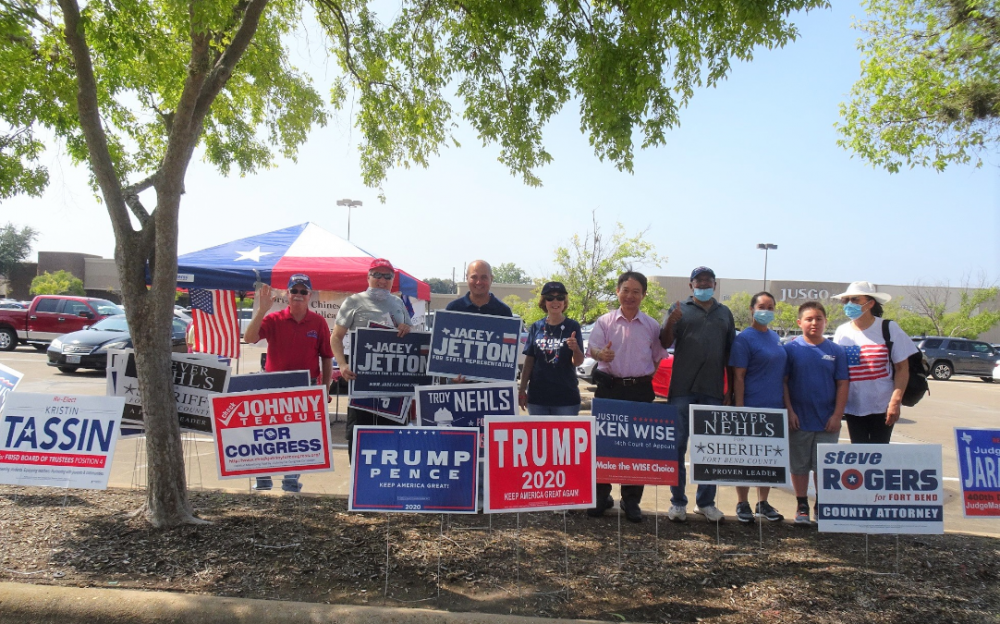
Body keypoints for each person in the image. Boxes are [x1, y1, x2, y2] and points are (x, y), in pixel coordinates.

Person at [586, 271, 667, 523]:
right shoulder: (605, 321)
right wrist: (602, 355)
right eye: (625, 290)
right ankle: (601, 496)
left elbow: (656, 359)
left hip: (640, 391)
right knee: (604, 445)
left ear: (643, 294)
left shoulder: (652, 326)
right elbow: (594, 349)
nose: (630, 296)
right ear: (617, 291)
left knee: (637, 446)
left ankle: (631, 501)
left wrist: (638, 378)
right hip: (610, 388)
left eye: (636, 291)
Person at [243, 273, 334, 492]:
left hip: (306, 384)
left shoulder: (318, 321)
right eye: (295, 291)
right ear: (288, 293)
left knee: (299, 434)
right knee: (269, 432)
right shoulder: (273, 319)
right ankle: (263, 477)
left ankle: (291, 478)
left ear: (309, 295)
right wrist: (262, 310)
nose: (299, 295)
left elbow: (327, 357)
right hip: (275, 384)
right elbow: (249, 338)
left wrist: (325, 388)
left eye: (303, 291)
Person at [659, 266, 735, 523]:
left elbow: (730, 354)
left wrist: (730, 389)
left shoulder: (724, 313)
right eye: (699, 281)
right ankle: (677, 502)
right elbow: (663, 342)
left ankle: (706, 503)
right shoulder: (678, 308)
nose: (704, 285)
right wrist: (671, 321)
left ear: (715, 285)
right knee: (677, 447)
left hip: (713, 391)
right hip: (682, 389)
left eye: (708, 281)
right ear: (691, 285)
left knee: (708, 451)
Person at [329, 258, 412, 461]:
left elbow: (410, 339)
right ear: (368, 277)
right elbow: (336, 337)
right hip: (362, 381)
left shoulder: (398, 303)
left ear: (392, 279)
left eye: (387, 276)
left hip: (393, 384)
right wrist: (342, 364)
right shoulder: (354, 301)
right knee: (359, 435)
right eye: (377, 275)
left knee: (392, 437)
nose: (382, 280)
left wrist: (406, 329)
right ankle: (358, 485)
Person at [784, 301, 849, 525]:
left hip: (826, 421)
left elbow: (842, 384)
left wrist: (837, 415)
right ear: (799, 322)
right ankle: (801, 504)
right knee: (799, 465)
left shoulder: (836, 351)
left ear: (825, 322)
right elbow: (783, 383)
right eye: (809, 319)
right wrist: (789, 411)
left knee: (823, 466)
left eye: (819, 319)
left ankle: (822, 505)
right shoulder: (790, 349)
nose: (814, 323)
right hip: (799, 420)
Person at [832, 281, 917, 444]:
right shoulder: (842, 332)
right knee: (859, 453)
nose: (850, 304)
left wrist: (895, 401)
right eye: (847, 300)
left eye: (855, 299)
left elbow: (902, 368)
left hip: (882, 406)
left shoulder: (889, 328)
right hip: (853, 406)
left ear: (870, 303)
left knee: (879, 453)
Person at [728, 291, 785, 524]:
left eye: (770, 307)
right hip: (750, 406)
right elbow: (738, 377)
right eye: (762, 306)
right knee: (746, 458)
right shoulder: (744, 339)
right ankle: (743, 502)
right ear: (752, 309)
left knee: (769, 459)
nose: (766, 310)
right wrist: (740, 408)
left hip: (775, 408)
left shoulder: (775, 338)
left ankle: (763, 502)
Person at [518, 282, 585, 415]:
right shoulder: (536, 327)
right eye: (550, 297)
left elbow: (577, 362)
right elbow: (529, 361)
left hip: (566, 399)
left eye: (560, 297)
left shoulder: (572, 326)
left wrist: (575, 349)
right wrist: (522, 389)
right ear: (544, 302)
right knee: (539, 436)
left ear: (564, 301)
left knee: (564, 437)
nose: (555, 301)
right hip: (538, 398)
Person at [445, 260, 513, 316]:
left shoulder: (504, 312)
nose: (478, 282)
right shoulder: (453, 309)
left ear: (491, 279)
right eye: (474, 277)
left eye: (484, 277)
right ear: (467, 278)